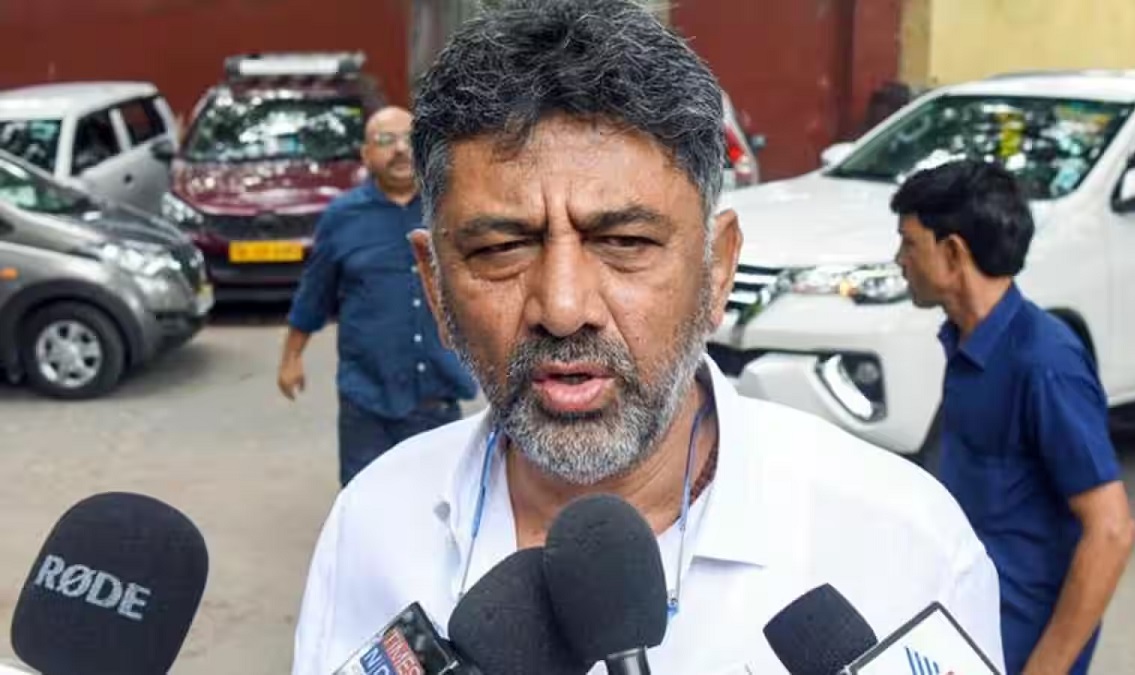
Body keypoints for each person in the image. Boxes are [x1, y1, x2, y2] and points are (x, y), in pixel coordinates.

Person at [291, 2, 1003, 672]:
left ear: (717, 269)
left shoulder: (903, 542)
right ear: (436, 287)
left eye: (625, 242)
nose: (563, 308)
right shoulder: (373, 522)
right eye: (502, 249)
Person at [891, 159, 1135, 675]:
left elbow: (1112, 531)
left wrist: (1044, 668)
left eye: (909, 244)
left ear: (952, 252)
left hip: (1019, 646)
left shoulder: (1046, 362)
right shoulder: (967, 344)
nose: (899, 260)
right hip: (963, 628)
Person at [278, 106, 478, 487]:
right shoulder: (342, 217)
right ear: (366, 155)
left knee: (440, 502)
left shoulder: (453, 208)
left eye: (408, 138)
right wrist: (291, 358)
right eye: (385, 140)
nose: (399, 149)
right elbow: (314, 293)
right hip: (367, 400)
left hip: (437, 396)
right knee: (366, 499)